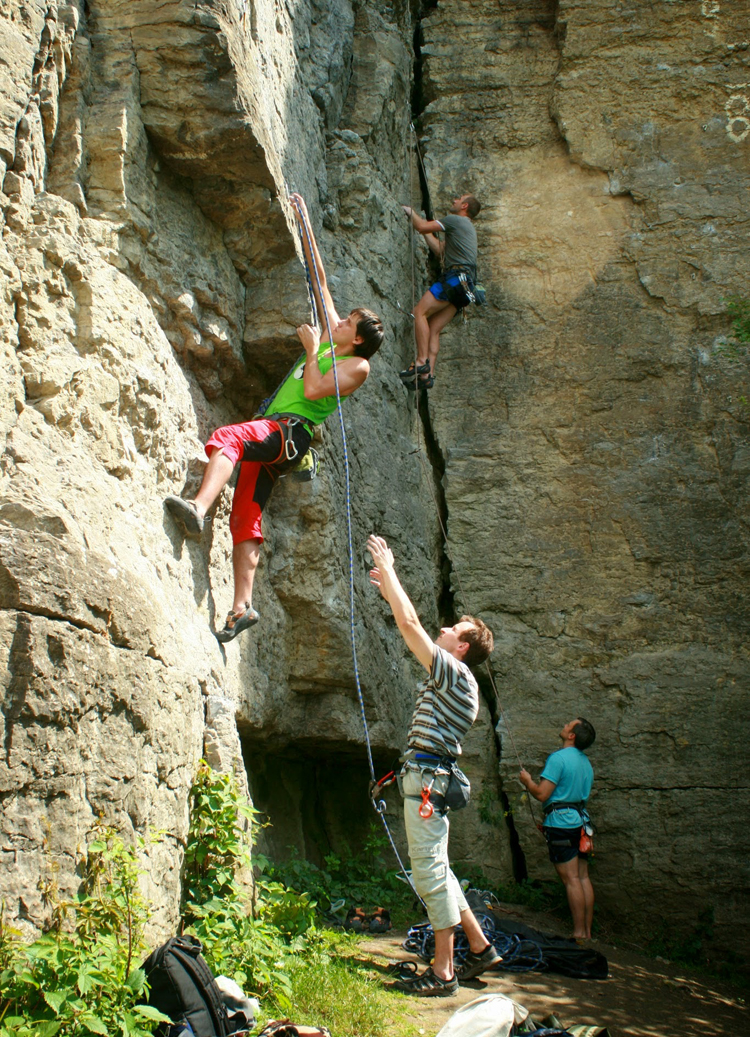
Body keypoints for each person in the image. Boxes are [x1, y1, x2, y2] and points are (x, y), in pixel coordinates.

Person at [165, 194, 384, 643]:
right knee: (246, 512)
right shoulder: (331, 343)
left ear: (358, 339)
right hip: (281, 438)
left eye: (348, 322)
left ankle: (198, 508)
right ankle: (241, 608)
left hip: (289, 432)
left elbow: (313, 390)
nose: (338, 320)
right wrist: (304, 222)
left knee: (228, 436)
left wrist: (310, 350)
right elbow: (320, 280)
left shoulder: (356, 366)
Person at [367, 533, 500, 997]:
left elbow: (409, 626)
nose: (444, 629)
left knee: (427, 870)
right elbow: (409, 620)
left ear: (462, 647)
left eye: (453, 629)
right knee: (438, 868)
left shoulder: (456, 673)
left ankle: (443, 970)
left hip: (427, 782)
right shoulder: (459, 678)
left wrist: (391, 571)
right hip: (426, 776)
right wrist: (388, 588)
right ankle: (480, 948)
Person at [519, 718, 596, 940]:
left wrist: (527, 781)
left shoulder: (558, 759)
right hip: (582, 823)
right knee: (582, 877)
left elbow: (542, 793)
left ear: (572, 735)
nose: (564, 725)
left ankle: (579, 933)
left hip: (562, 824)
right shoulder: (586, 763)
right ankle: (588, 932)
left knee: (571, 879)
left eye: (568, 725)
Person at [400, 193, 481, 389]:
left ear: (465, 206)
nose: (454, 200)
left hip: (454, 278)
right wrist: (426, 232)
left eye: (459, 199)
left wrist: (410, 213)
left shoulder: (454, 220)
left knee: (419, 312)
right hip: (466, 286)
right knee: (433, 327)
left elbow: (421, 226)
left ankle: (421, 362)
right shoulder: (467, 229)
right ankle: (428, 375)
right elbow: (439, 249)